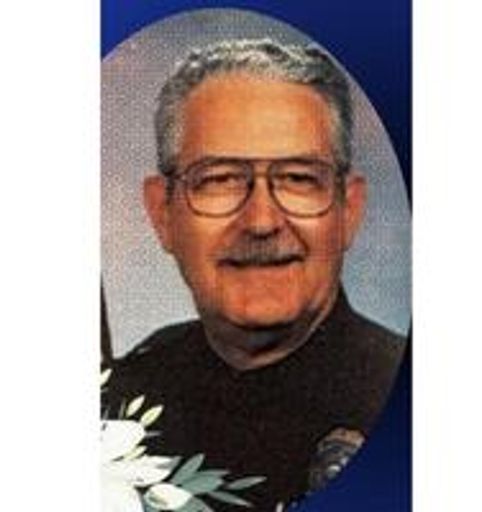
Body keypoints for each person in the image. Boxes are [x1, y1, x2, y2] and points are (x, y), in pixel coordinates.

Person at [103, 39, 405, 511]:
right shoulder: (125, 394)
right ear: (163, 213)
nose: (261, 221)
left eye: (299, 178)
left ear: (349, 209)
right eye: (220, 179)